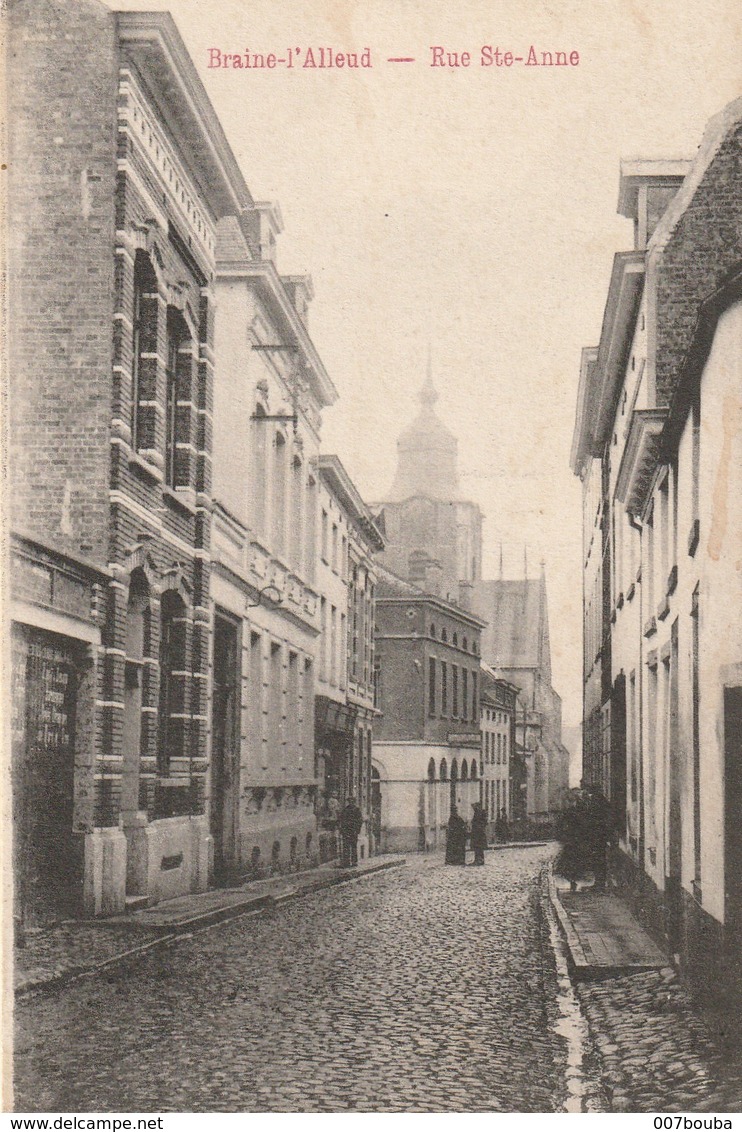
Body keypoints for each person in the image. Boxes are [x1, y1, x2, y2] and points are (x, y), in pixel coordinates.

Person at [339, 795, 363, 867]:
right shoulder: (345, 810)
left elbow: (360, 821)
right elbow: (342, 820)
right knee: (346, 846)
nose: (351, 803)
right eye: (349, 801)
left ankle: (354, 862)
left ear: (354, 802)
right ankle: (346, 862)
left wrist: (357, 830)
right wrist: (342, 829)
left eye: (352, 801)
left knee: (353, 846)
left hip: (353, 831)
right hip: (346, 830)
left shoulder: (357, 810)